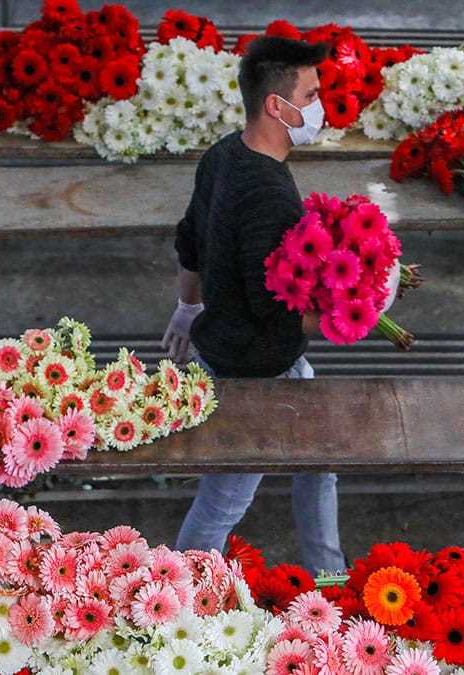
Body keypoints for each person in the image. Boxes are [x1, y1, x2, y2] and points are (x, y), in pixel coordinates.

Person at [161, 36, 345, 574]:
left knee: (319, 465)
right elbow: (275, 311)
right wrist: (352, 316)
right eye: (310, 95)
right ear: (276, 106)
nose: (319, 107)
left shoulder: (223, 154)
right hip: (257, 372)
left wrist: (186, 307)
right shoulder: (270, 193)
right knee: (223, 506)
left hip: (227, 346)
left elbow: (190, 239)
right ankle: (173, 603)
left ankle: (331, 580)